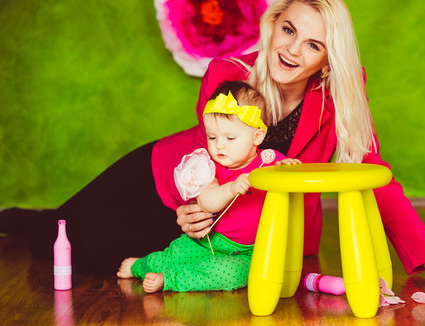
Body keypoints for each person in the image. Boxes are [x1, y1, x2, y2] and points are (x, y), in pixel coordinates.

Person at [0, 0, 425, 278]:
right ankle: (18, 219)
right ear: (273, 23)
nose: (293, 51)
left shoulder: (342, 91)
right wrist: (189, 206)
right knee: (59, 227)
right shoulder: (227, 72)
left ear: (329, 60)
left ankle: (33, 223)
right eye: (289, 30)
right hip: (174, 182)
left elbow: (374, 174)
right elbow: (210, 157)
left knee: (78, 243)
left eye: (315, 45)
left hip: (230, 226)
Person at [117, 81, 300, 293]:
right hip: (209, 241)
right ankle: (140, 265)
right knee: (173, 255)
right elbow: (207, 201)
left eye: (230, 138)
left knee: (231, 275)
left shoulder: (270, 161)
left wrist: (288, 168)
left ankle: (169, 280)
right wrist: (231, 188)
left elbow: (290, 184)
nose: (219, 145)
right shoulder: (210, 167)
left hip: (252, 251)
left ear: (257, 137)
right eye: (212, 137)